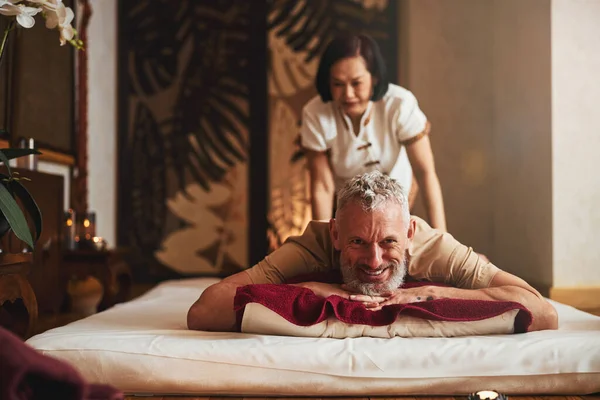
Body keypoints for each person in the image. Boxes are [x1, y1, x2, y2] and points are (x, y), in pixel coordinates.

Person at [187, 171, 557, 333]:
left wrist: (434, 292)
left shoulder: (436, 246)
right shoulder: (310, 244)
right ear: (335, 233)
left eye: (389, 242)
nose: (375, 261)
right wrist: (316, 291)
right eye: (357, 243)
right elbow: (205, 310)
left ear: (410, 233)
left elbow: (542, 310)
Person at [301, 34, 446, 230]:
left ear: (375, 78)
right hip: (349, 212)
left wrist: (441, 238)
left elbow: (425, 173)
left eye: (356, 83)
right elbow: (322, 186)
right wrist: (321, 245)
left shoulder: (399, 104)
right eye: (338, 84)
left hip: (399, 207)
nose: (348, 94)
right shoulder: (315, 113)